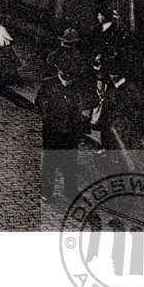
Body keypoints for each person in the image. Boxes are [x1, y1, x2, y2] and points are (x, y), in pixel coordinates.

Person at [36, 64, 90, 202]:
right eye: (65, 75)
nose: (68, 80)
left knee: (71, 160)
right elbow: (39, 102)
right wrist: (51, 115)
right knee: (50, 161)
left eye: (71, 77)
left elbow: (89, 100)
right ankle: (46, 193)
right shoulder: (48, 85)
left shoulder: (77, 86)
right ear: (59, 71)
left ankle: (71, 191)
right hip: (53, 131)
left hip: (71, 131)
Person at [46, 28, 98, 113]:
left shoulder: (54, 54)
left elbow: (49, 66)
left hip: (62, 85)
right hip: (72, 86)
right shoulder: (77, 56)